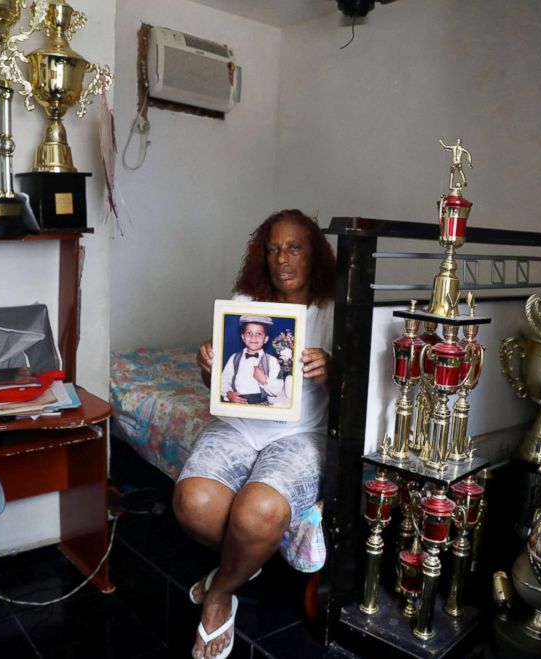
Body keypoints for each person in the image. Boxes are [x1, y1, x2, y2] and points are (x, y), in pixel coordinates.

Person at [174, 209, 335, 659]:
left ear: (314, 254)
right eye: (273, 249)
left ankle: (222, 590)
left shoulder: (334, 310)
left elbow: (356, 393)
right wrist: (207, 369)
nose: (282, 258)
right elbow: (219, 385)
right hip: (239, 426)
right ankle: (247, 560)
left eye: (294, 248)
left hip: (299, 434)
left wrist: (330, 373)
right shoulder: (246, 302)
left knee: (258, 512)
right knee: (193, 502)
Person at [219, 315, 283, 405]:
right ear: (243, 337)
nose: (253, 337)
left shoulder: (272, 361)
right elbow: (223, 381)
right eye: (249, 333)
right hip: (237, 405)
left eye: (259, 334)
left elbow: (278, 389)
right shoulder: (234, 358)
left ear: (266, 339)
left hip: (261, 406)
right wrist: (228, 394)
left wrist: (263, 381)